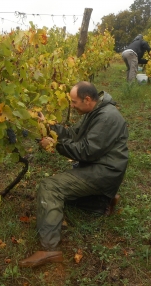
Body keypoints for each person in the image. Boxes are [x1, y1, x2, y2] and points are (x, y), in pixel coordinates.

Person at [19, 81, 129, 268]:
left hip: (104, 171)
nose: (72, 105)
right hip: (100, 167)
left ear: (87, 99)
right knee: (58, 199)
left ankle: (49, 249)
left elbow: (86, 151)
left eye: (74, 102)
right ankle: (101, 202)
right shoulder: (95, 111)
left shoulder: (107, 117)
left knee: (50, 188)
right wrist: (47, 125)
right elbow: (73, 134)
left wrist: (55, 145)